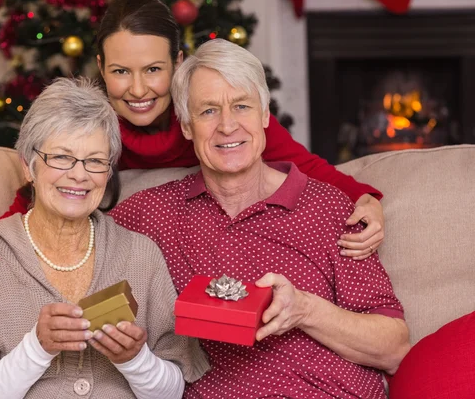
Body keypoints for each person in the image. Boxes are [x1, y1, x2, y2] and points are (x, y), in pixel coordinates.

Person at [0, 0, 386, 304]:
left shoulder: (213, 120)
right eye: (120, 71)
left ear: (177, 61)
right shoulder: (95, 129)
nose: (138, 90)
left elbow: (307, 167)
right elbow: (41, 192)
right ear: (100, 68)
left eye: (154, 69)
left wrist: (367, 200)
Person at [111, 39, 410, 398]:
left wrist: (304, 310)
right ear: (187, 126)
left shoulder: (327, 208)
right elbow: (70, 242)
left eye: (241, 106)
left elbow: (394, 349)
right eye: (208, 111)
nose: (227, 125)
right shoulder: (153, 213)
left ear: (265, 115)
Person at [0, 78, 209, 399]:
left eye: (94, 161)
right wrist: (36, 349)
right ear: (28, 167)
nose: (79, 175)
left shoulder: (140, 254)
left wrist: (135, 360)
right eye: (62, 157)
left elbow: (174, 391)